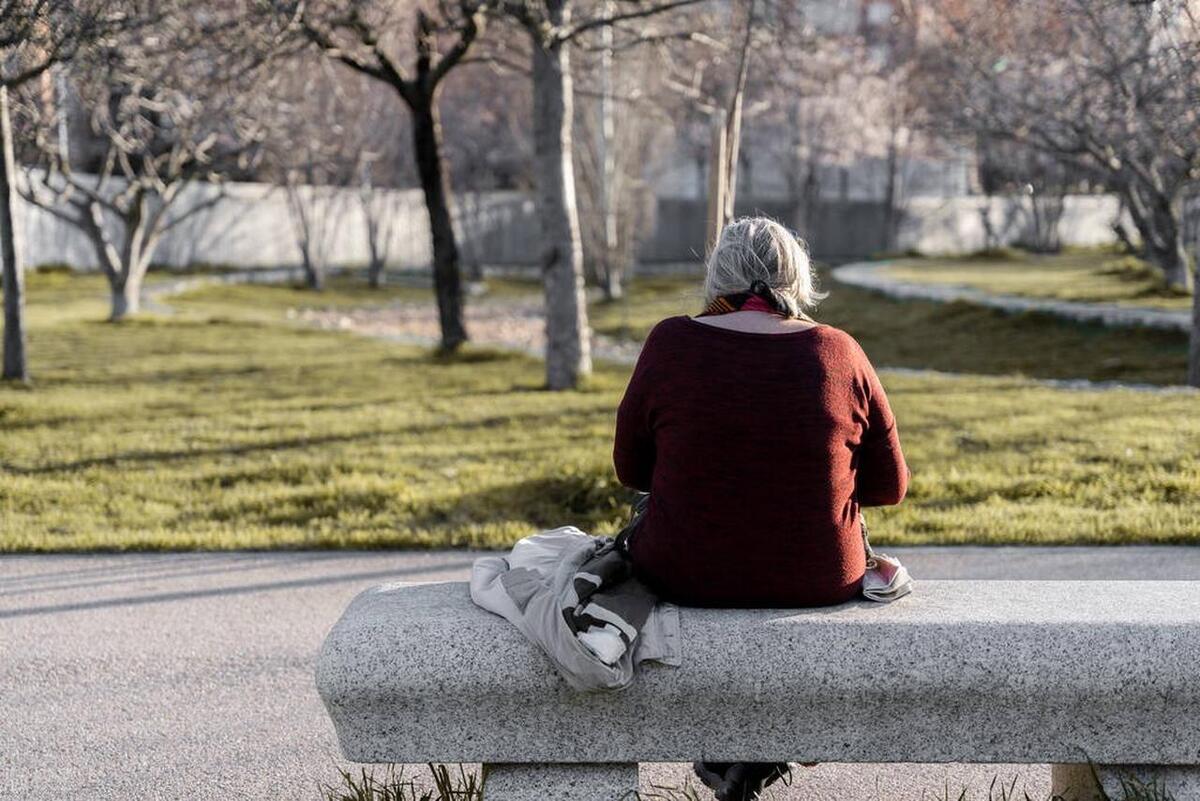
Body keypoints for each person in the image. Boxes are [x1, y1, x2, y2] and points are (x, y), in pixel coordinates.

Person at [611, 217, 909, 801]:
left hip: (682, 571)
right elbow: (889, 485)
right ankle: (762, 747)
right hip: (819, 576)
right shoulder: (839, 351)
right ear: (798, 278)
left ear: (715, 275)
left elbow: (631, 470)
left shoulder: (670, 343)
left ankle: (733, 747)